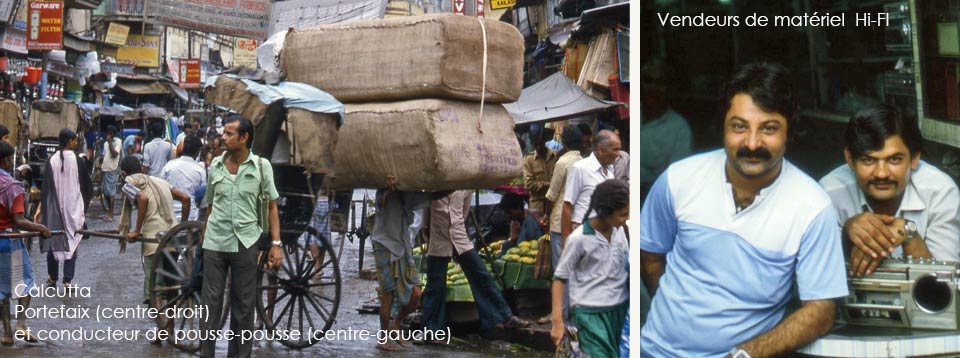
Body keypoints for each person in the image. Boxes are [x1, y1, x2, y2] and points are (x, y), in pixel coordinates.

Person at [639, 63, 849, 357]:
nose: (752, 143)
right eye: (739, 126)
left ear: (790, 130)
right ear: (722, 126)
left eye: (769, 128)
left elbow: (821, 310)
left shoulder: (812, 206)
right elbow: (649, 252)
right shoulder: (678, 179)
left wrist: (746, 353)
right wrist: (676, 310)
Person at [820, 105, 960, 277]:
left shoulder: (940, 191)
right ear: (850, 159)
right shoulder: (828, 194)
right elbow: (818, 279)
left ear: (915, 158)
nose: (881, 173)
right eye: (868, 160)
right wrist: (845, 233)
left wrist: (909, 234)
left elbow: (946, 285)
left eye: (894, 159)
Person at [200, 114, 283, 357]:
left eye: (229, 133)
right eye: (223, 133)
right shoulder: (216, 165)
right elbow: (211, 205)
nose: (223, 138)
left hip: (246, 242)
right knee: (210, 305)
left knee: (244, 306)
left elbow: (271, 206)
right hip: (215, 242)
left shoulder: (260, 166)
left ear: (244, 138)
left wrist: (275, 244)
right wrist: (204, 241)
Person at [420, 190, 529, 343]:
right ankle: (431, 331)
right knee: (435, 285)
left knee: (482, 275)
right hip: (438, 239)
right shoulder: (437, 184)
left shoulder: (465, 187)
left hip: (460, 238)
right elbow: (426, 215)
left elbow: (464, 213)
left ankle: (505, 317)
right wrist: (428, 236)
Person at [550, 179, 629, 357]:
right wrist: (557, 321)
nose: (626, 219)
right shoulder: (579, 239)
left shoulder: (620, 231)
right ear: (605, 212)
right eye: (622, 214)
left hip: (620, 311)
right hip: (589, 314)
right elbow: (559, 279)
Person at [117, 156, 191, 343]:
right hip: (172, 237)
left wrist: (136, 230)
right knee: (171, 287)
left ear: (124, 173)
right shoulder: (160, 181)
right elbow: (185, 198)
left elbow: (142, 199)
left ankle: (163, 328)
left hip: (153, 242)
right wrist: (181, 225)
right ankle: (167, 329)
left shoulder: (128, 184)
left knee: (154, 290)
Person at [370, 175, 431, 351]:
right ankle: (383, 338)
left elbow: (429, 198)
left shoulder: (409, 192)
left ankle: (396, 324)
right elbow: (381, 203)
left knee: (416, 294)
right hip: (384, 245)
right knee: (387, 296)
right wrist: (389, 189)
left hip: (404, 246)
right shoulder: (382, 190)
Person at [0, 141, 50, 346]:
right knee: (25, 283)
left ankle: (7, 334)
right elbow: (20, 220)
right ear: (6, 160)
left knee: (1, 289)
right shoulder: (13, 186)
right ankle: (21, 324)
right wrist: (41, 228)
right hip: (9, 242)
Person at [541, 124, 583, 324]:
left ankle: (559, 312)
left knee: (560, 268)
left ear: (564, 142)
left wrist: (545, 216)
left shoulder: (563, 163)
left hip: (559, 222)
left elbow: (552, 194)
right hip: (577, 221)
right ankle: (569, 310)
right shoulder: (583, 162)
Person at [639, 59, 692, 200]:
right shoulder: (628, 111)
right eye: (648, 81)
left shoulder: (679, 128)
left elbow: (675, 180)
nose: (653, 88)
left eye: (660, 83)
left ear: (669, 88)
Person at [39, 129, 86, 288]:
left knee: (54, 239)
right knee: (72, 240)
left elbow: (46, 188)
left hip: (55, 208)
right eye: (74, 140)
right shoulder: (78, 160)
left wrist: (43, 207)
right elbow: (86, 185)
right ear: (69, 141)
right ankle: (67, 279)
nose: (76, 143)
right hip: (73, 207)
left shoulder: (51, 160)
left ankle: (52, 277)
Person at [561, 130, 619, 240]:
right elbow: (567, 206)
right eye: (615, 149)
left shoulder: (610, 170)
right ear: (601, 149)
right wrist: (565, 243)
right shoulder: (580, 168)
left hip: (603, 232)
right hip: (583, 230)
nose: (618, 154)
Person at [161, 135, 206, 221]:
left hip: (169, 216)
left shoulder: (169, 166)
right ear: (197, 152)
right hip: (191, 218)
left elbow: (161, 187)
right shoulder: (200, 170)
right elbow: (201, 198)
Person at [522, 127, 558, 214]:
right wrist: (548, 184)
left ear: (545, 141)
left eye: (540, 144)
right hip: (538, 206)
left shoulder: (555, 157)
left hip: (554, 204)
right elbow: (529, 184)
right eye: (535, 145)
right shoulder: (529, 160)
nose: (538, 147)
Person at [101, 125, 122, 221]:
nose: (108, 135)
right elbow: (106, 155)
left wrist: (110, 142)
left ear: (113, 133)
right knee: (106, 192)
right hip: (105, 169)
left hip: (112, 169)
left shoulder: (117, 142)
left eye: (110, 133)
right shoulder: (105, 143)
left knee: (111, 192)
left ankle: (111, 214)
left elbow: (114, 154)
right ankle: (108, 212)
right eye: (108, 132)